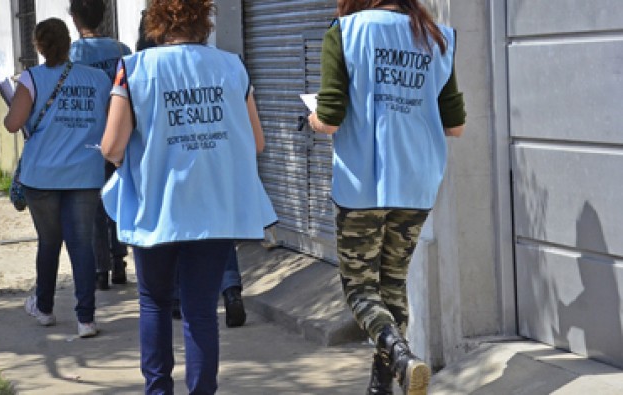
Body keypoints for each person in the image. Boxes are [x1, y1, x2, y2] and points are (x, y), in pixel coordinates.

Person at [100, 0, 277, 392]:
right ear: (205, 20)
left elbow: (112, 147)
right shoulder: (232, 67)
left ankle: (158, 389)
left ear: (156, 23)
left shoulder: (135, 69)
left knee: (154, 302)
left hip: (156, 207)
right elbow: (257, 142)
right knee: (200, 313)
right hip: (212, 210)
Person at [307, 1, 466, 394]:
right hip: (415, 183)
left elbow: (328, 118)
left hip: (362, 184)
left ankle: (400, 356)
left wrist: (310, 118)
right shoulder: (436, 36)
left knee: (361, 288)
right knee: (393, 285)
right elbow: (456, 126)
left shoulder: (345, 32)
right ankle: (383, 385)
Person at [3, 18, 111, 339]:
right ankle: (86, 319)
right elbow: (109, 118)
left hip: (42, 176)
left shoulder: (31, 78)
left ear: (38, 46)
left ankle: (46, 309)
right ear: (69, 42)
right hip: (86, 172)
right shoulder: (98, 79)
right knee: (82, 243)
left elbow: (12, 124)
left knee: (49, 242)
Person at [67, 0, 133, 291]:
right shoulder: (122, 50)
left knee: (94, 204)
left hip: (87, 137)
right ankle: (119, 261)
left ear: (75, 17)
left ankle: (100, 268)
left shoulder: (71, 55)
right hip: (120, 133)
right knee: (118, 197)